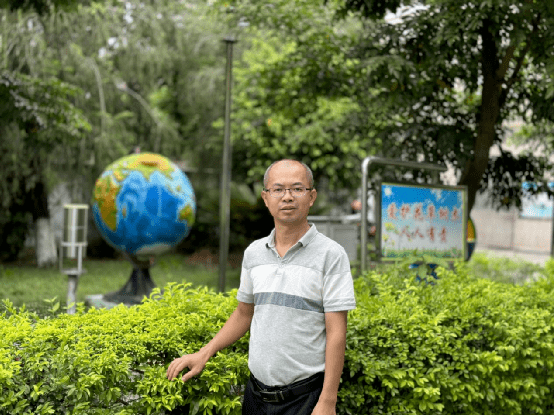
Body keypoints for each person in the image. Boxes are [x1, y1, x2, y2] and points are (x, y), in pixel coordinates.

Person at [166, 159, 356, 415]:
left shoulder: (331, 255)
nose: (287, 197)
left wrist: (327, 400)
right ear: (266, 198)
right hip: (255, 396)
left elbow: (336, 333)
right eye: (278, 189)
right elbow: (244, 313)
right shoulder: (254, 253)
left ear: (311, 197)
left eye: (297, 189)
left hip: (305, 399)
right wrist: (205, 352)